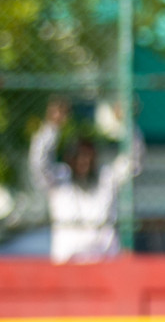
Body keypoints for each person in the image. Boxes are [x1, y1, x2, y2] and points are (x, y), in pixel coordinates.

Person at [27, 98, 143, 264]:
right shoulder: (59, 180)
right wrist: (52, 127)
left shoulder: (106, 179)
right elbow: (38, 164)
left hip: (105, 265)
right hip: (68, 266)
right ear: (69, 160)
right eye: (78, 157)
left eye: (89, 157)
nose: (84, 162)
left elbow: (134, 161)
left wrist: (127, 124)